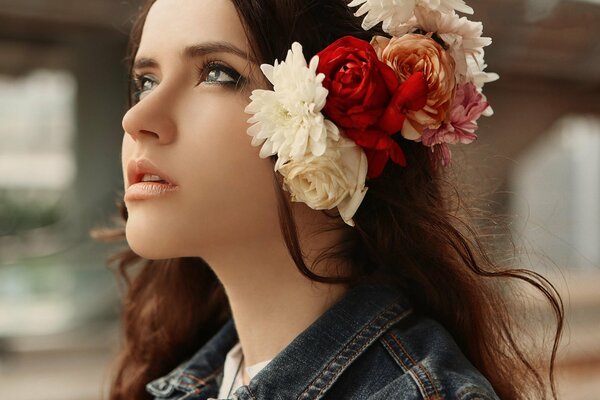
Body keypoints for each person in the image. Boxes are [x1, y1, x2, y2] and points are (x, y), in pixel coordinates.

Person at [91, 0, 564, 399]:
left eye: (217, 73)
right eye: (146, 81)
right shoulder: (189, 378)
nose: (137, 117)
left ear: (344, 119)